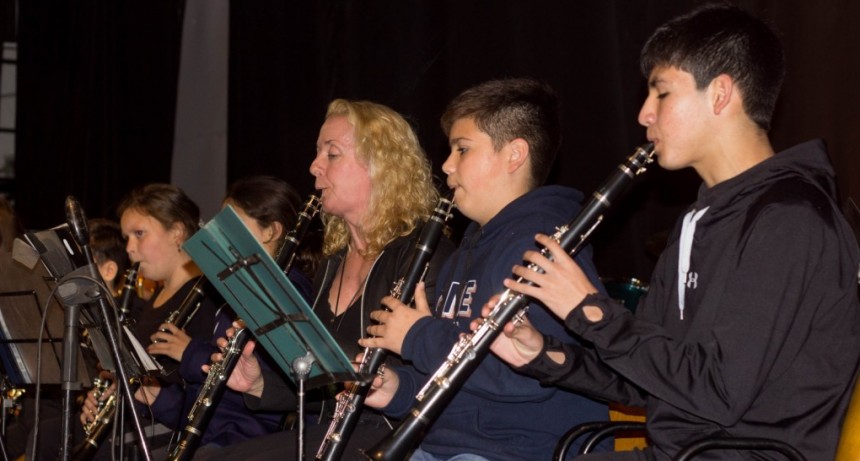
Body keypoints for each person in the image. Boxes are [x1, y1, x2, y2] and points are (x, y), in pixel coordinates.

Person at [481, 5, 860, 460]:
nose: (644, 114)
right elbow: (647, 380)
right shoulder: (698, 221)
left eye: (661, 93)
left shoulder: (790, 221)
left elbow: (719, 391)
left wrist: (588, 309)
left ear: (720, 94)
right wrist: (542, 354)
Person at [360, 78, 608, 461]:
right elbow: (448, 378)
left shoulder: (543, 244)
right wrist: (394, 389)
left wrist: (417, 337)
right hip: (448, 447)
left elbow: (521, 373)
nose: (446, 165)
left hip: (522, 449)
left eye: (462, 149)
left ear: (514, 155)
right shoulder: (466, 251)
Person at [196, 99, 455, 461]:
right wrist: (258, 382)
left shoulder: (421, 256)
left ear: (381, 165)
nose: (314, 166)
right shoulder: (334, 261)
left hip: (385, 438)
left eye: (331, 154)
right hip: (322, 433)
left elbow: (428, 380)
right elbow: (323, 382)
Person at [75, 184, 280, 460]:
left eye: (139, 234)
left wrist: (173, 368)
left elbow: (201, 389)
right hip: (155, 416)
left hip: (185, 427)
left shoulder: (208, 297)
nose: (129, 249)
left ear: (177, 233)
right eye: (126, 238)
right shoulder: (153, 298)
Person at [222, 174, 321, 300]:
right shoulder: (242, 280)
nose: (221, 232)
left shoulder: (291, 292)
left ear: (271, 231)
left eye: (232, 224)